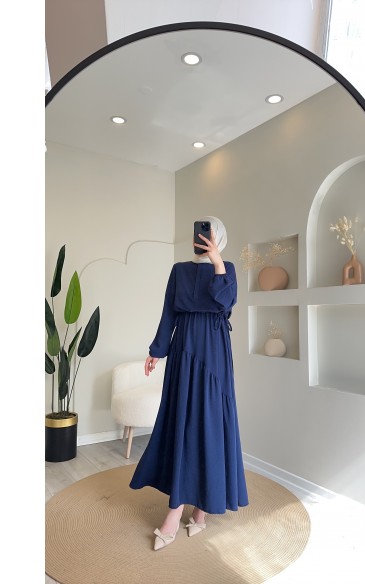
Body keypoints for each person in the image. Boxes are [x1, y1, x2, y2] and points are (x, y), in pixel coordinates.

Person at [129, 215, 249, 550]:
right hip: (184, 350)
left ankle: (201, 509)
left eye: (210, 233)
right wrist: (157, 350)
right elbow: (169, 312)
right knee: (182, 421)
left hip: (213, 353)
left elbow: (226, 303)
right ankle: (177, 507)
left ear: (219, 238)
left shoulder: (227, 269)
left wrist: (217, 261)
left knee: (209, 421)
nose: (203, 238)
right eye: (200, 233)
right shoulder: (179, 270)